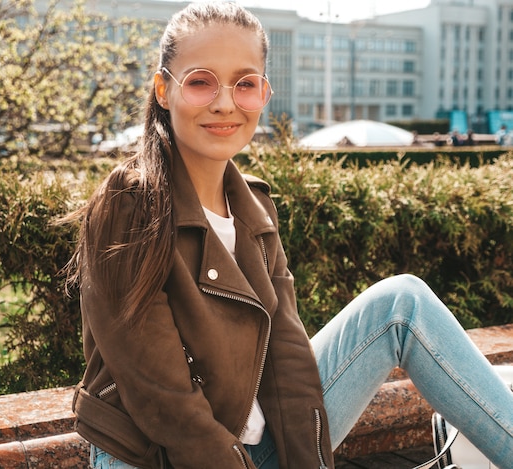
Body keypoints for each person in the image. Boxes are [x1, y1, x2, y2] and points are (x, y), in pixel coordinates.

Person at [64, 3, 513, 468]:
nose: (224, 103)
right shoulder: (131, 203)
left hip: (257, 447)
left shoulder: (253, 206)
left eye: (245, 84)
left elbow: (289, 359)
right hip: (158, 455)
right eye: (201, 82)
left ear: (264, 93)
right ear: (163, 89)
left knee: (403, 303)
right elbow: (162, 398)